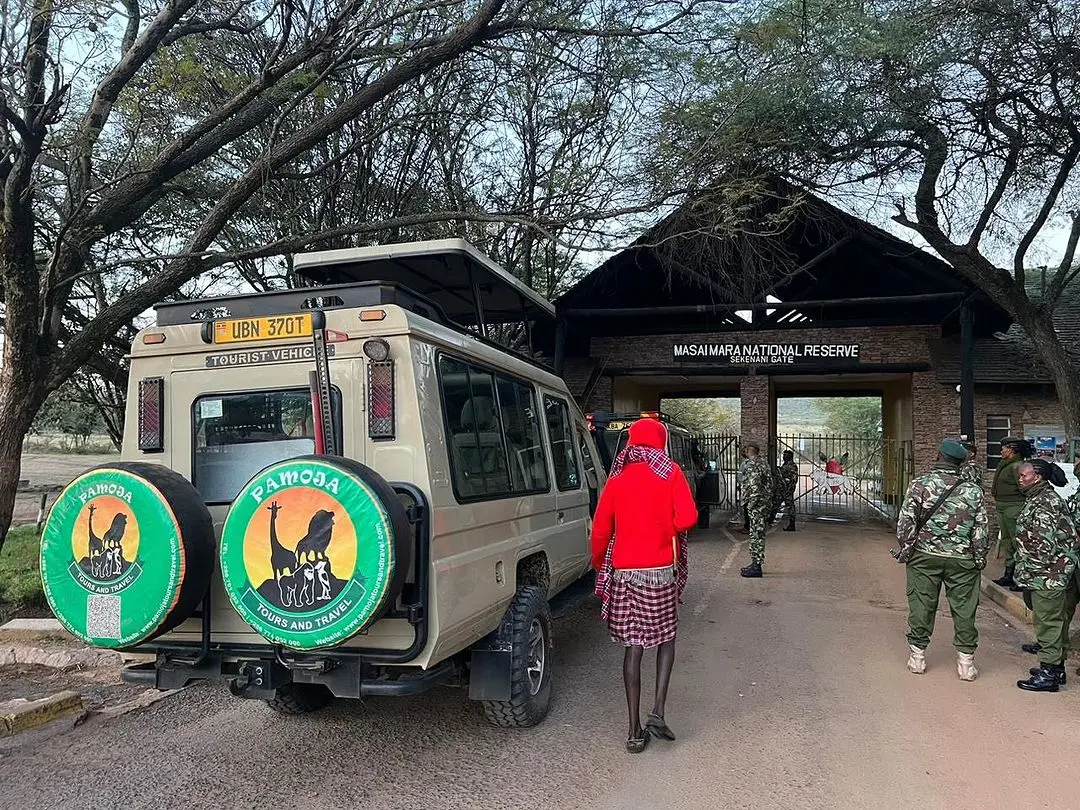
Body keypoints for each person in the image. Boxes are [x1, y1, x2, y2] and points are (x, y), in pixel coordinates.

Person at [591, 417, 697, 753]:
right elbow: (689, 517)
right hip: (661, 571)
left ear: (631, 445)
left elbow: (600, 529)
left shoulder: (617, 479)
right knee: (666, 638)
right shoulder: (670, 472)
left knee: (633, 646)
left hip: (625, 572)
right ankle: (659, 711)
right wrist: (665, 526)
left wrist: (600, 564)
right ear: (660, 442)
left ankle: (634, 732)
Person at [892, 438, 988, 680]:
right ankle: (966, 664)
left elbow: (906, 523)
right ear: (960, 462)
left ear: (938, 456)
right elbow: (981, 531)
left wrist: (907, 549)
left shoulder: (919, 484)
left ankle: (917, 657)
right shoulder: (973, 491)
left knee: (921, 604)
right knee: (965, 609)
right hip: (962, 558)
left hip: (924, 556)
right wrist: (978, 559)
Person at [1013, 458, 1079, 692]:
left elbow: (1042, 546)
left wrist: (1027, 573)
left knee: (1048, 621)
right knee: (1051, 619)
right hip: (1048, 571)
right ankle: (1056, 667)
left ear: (1037, 477)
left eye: (1024, 476)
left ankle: (1049, 673)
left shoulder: (1045, 503)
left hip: (1049, 573)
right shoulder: (1038, 498)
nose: (1020, 479)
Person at [991, 436, 1031, 591]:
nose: (1001, 450)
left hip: (1014, 507)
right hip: (1003, 507)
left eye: (1004, 448)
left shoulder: (1017, 466)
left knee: (1017, 542)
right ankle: (1009, 575)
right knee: (1007, 541)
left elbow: (1024, 487)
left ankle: (1021, 578)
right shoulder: (1006, 464)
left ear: (1012, 449)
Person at [739, 438, 773, 578]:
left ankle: (756, 566)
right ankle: (755, 563)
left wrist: (750, 504)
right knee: (758, 533)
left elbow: (755, 486)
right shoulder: (763, 463)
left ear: (748, 451)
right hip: (764, 503)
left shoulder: (752, 465)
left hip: (757, 504)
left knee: (756, 535)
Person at [778, 450, 798, 531]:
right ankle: (769, 521)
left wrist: (787, 485)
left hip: (787, 489)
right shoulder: (785, 465)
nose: (783, 457)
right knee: (775, 504)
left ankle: (792, 524)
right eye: (783, 455)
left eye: (785, 455)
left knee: (790, 506)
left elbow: (793, 479)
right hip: (782, 489)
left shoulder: (792, 466)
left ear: (790, 457)